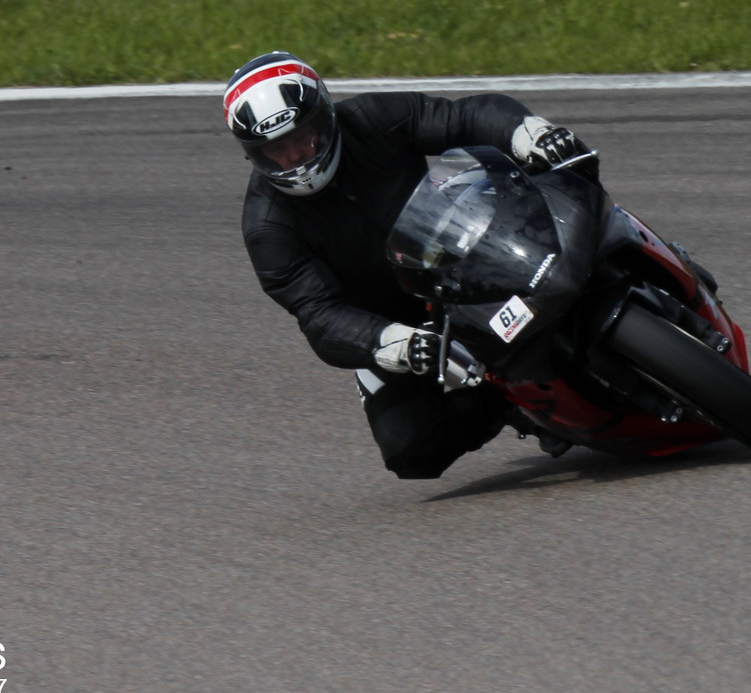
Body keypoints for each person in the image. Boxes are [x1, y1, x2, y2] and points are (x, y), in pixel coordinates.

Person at [227, 51, 588, 479]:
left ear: (325, 117)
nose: (294, 156)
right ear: (254, 154)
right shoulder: (267, 227)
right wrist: (391, 341)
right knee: (410, 448)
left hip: (463, 254)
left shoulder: (374, 118)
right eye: (276, 149)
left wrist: (528, 132)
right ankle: (515, 404)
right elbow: (319, 314)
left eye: (302, 136)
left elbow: (464, 117)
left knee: (562, 168)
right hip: (393, 320)